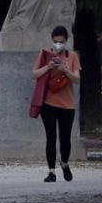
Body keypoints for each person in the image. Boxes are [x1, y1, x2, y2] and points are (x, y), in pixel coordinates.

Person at [32, 24, 81, 183]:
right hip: (48, 103)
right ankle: (51, 171)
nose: (58, 45)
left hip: (67, 105)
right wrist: (48, 67)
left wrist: (65, 69)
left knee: (65, 139)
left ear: (66, 41)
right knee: (51, 137)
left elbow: (77, 79)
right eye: (55, 41)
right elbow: (34, 74)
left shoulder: (72, 56)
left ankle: (65, 163)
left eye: (60, 41)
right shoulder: (45, 54)